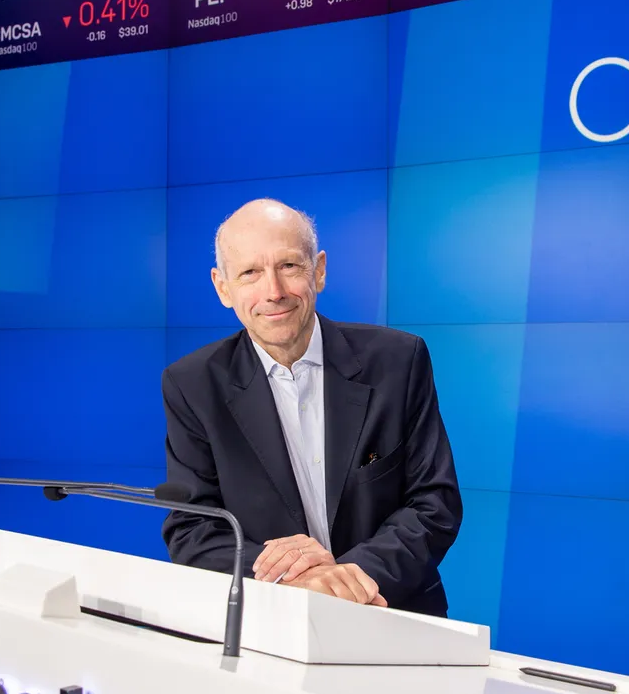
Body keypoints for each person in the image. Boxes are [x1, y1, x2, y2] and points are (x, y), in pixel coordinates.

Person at [160, 199, 461, 615]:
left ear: (318, 270)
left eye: (288, 266)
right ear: (223, 287)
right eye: (250, 273)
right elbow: (192, 529)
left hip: (392, 610)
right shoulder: (192, 384)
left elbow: (434, 504)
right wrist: (297, 579)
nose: (274, 292)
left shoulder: (397, 360)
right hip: (270, 625)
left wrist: (346, 578)